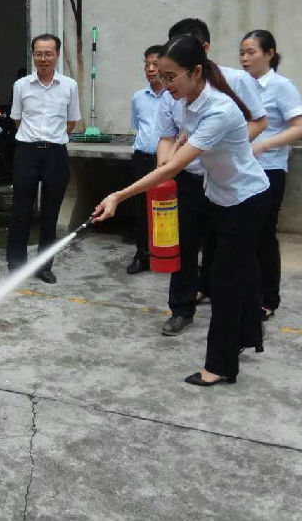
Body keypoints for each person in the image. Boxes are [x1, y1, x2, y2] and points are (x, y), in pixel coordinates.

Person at [94, 35, 270, 386]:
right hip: (219, 196)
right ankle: (246, 337)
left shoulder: (219, 110)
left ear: (196, 71)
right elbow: (178, 143)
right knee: (240, 274)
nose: (164, 83)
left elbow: (174, 167)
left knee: (225, 281)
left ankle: (219, 366)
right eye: (161, 76)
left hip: (246, 200)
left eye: (171, 76)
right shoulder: (187, 102)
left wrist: (119, 195)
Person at [155, 18, 268, 336]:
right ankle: (181, 307)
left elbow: (259, 121)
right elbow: (169, 135)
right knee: (185, 246)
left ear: (202, 53)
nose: (167, 78)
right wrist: (165, 170)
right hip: (190, 179)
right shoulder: (172, 87)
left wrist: (224, 147)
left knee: (230, 254)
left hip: (228, 182)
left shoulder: (232, 83)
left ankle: (244, 314)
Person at [240, 30, 302, 320]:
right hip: (240, 170)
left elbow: (299, 125)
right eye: (242, 52)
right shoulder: (239, 85)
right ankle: (244, 292)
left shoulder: (281, 86)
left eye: (251, 52)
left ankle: (268, 298)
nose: (244, 58)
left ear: (269, 54)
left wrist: (265, 144)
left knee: (264, 234)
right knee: (241, 234)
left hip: (269, 169)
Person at [6, 33, 81, 284]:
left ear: (57, 55)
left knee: (51, 214)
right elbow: (17, 119)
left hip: (55, 154)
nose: (43, 58)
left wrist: (51, 138)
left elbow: (71, 122)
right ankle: (16, 264)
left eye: (49, 53)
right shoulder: (22, 85)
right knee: (21, 211)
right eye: (39, 53)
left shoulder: (69, 85)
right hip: (26, 152)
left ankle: (44, 265)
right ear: (33, 55)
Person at [126, 44, 167, 274]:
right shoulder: (138, 98)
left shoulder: (175, 97)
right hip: (142, 158)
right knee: (140, 210)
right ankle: (142, 255)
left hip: (167, 162)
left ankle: (167, 254)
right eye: (147, 65)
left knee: (166, 209)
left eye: (156, 64)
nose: (151, 69)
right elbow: (137, 127)